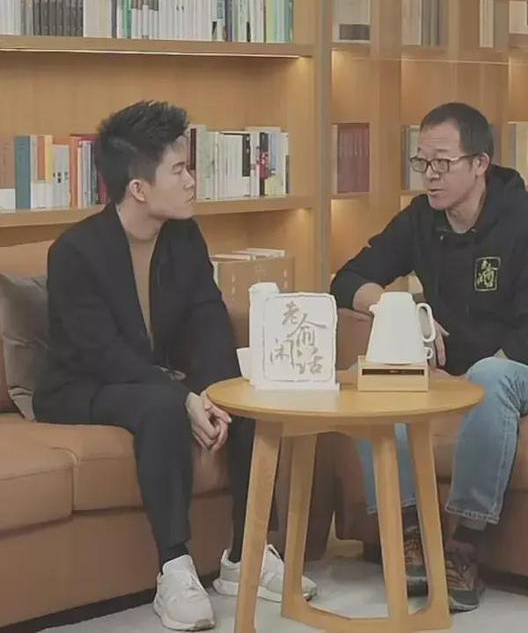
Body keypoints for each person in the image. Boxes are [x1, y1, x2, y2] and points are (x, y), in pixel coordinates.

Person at [33, 100, 316, 631]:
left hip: (155, 381)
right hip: (83, 386)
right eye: (180, 170)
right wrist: (183, 398)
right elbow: (101, 353)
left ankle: (248, 553)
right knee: (162, 407)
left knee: (245, 399)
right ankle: (175, 567)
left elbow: (209, 318)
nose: (191, 181)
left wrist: (213, 393)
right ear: (139, 188)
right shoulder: (75, 252)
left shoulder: (183, 236)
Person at [330, 102, 528, 612]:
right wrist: (400, 309)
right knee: (372, 380)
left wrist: (466, 383)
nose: (430, 175)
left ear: (479, 164)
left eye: (443, 163)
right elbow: (347, 279)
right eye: (422, 162)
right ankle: (409, 537)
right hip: (459, 378)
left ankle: (465, 544)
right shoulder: (421, 220)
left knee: (491, 376)